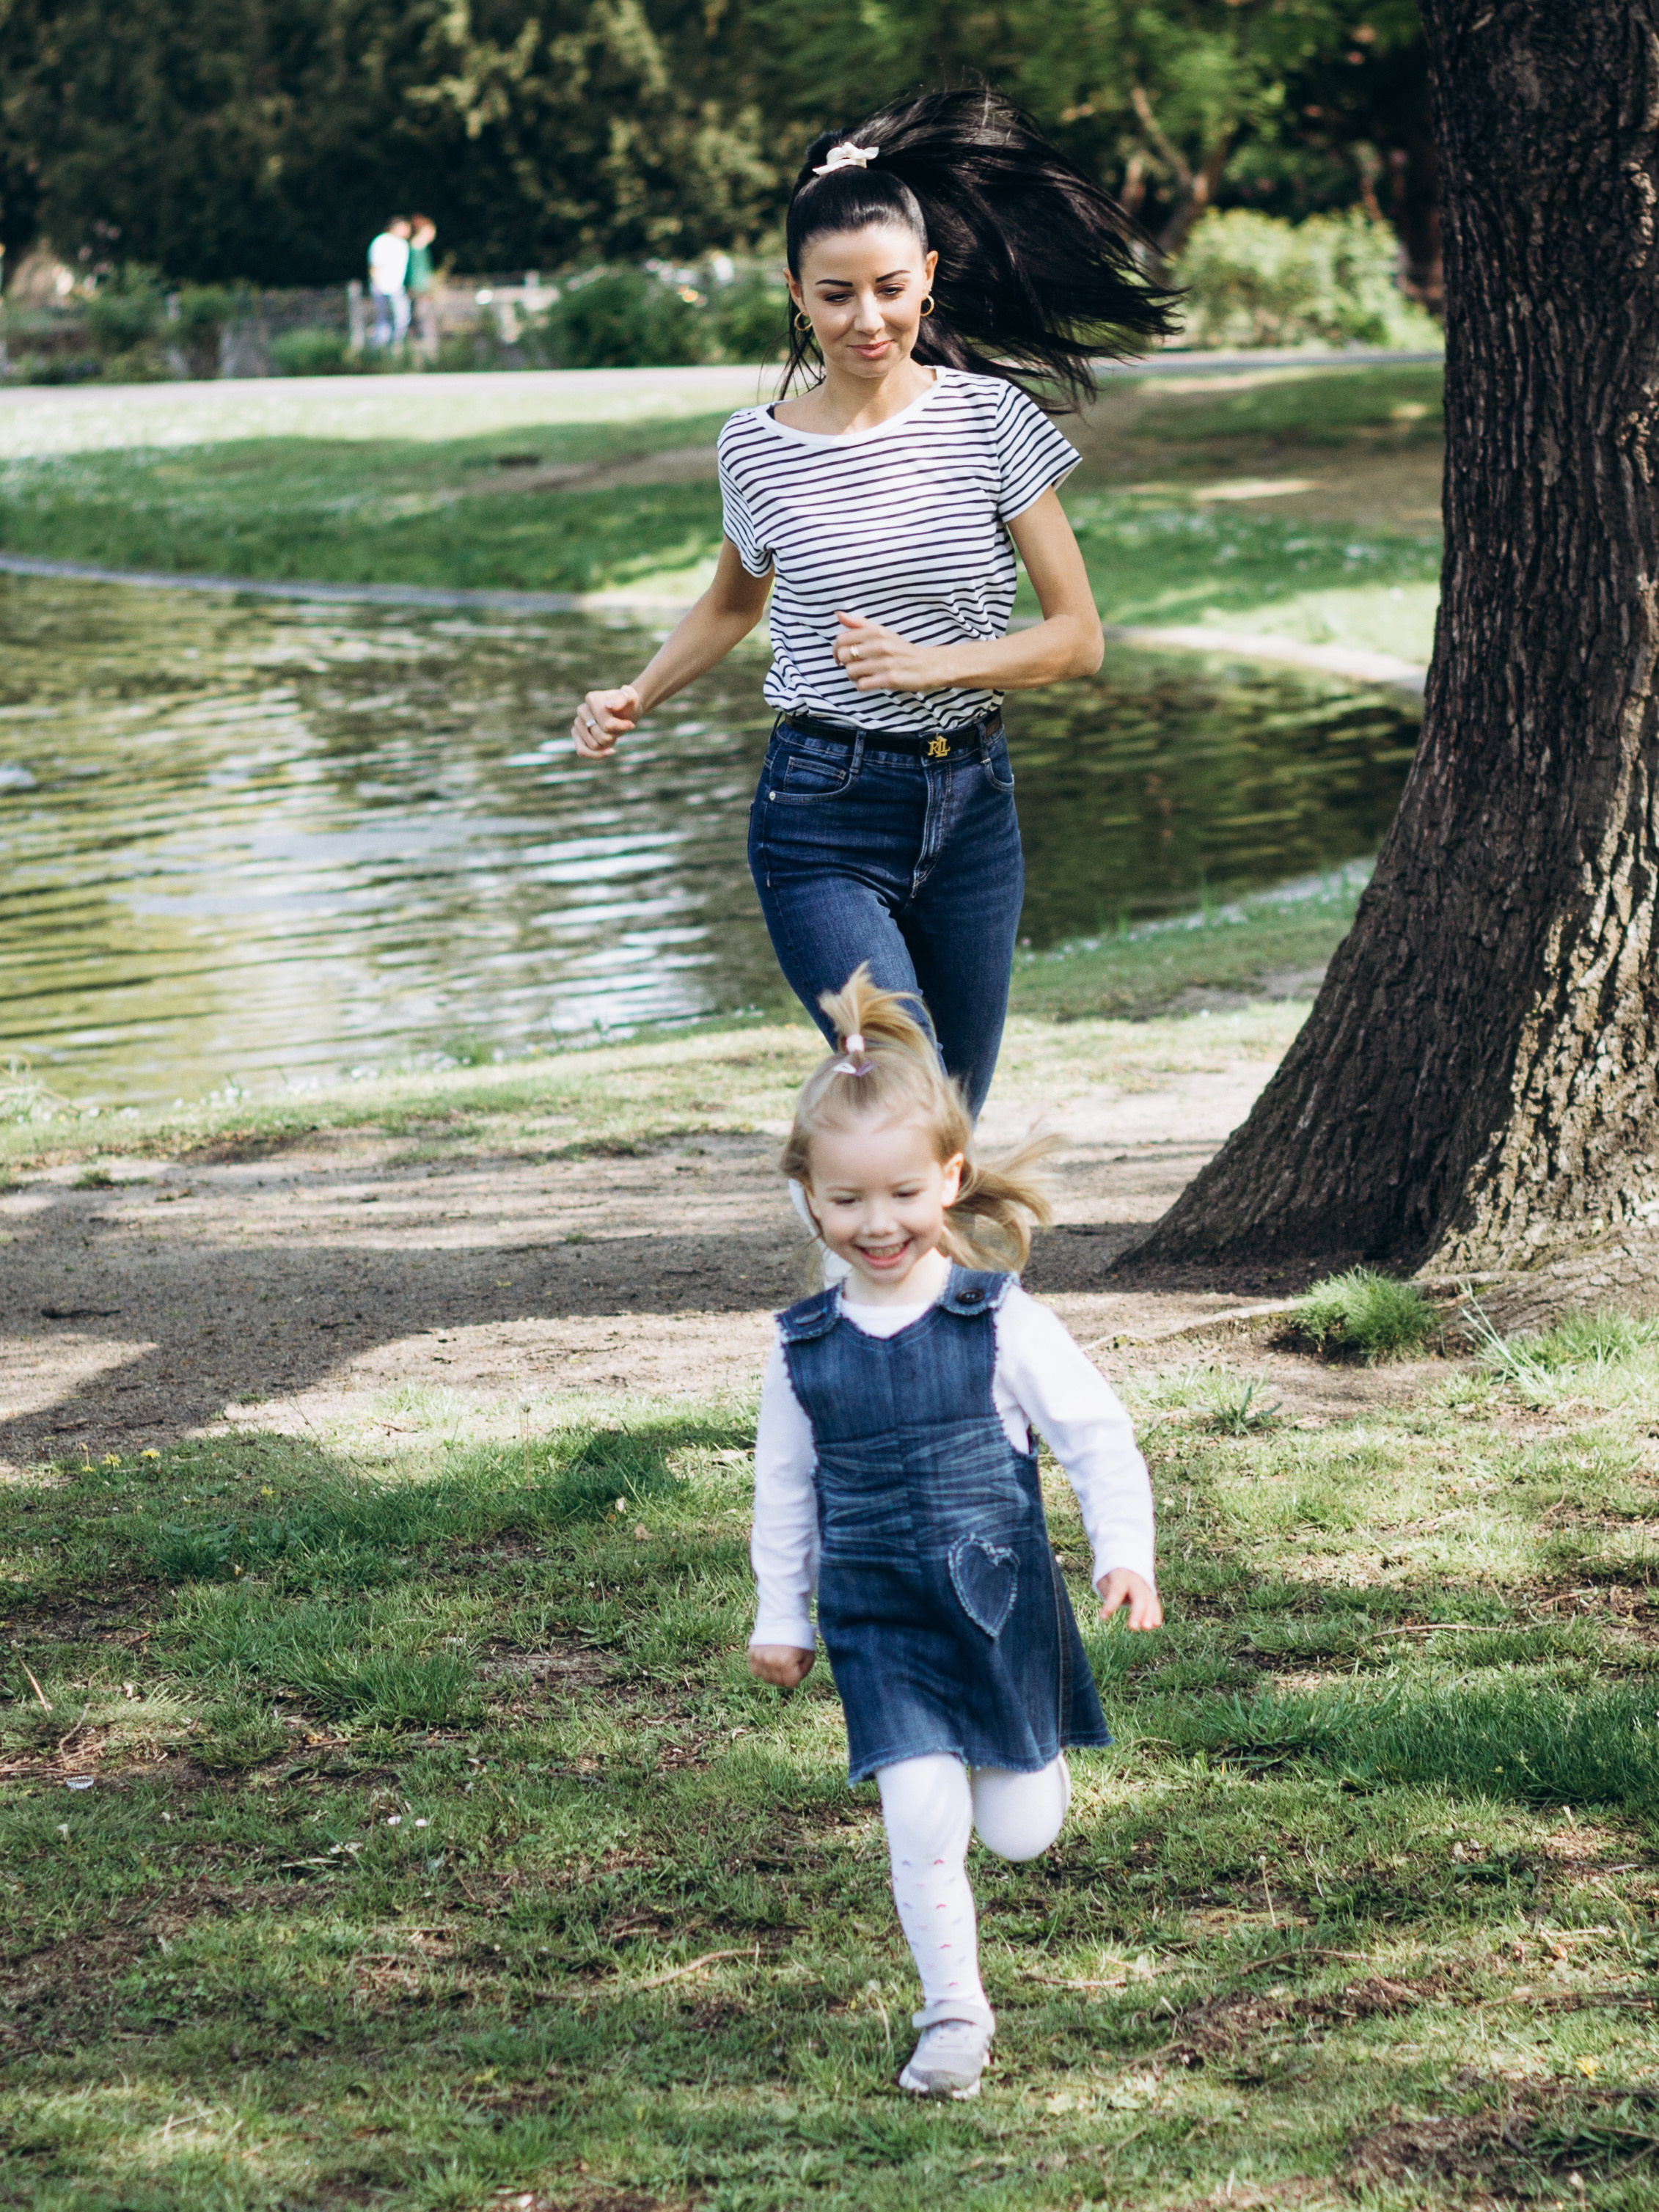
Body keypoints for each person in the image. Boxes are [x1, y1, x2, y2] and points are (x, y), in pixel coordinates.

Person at [572, 88, 1175, 1120]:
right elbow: (730, 605)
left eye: (890, 289)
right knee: (901, 1087)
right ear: (796, 293)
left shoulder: (992, 421)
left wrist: (934, 665)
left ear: (928, 279)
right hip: (820, 810)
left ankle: (916, 1277)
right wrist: (637, 693)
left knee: (951, 1116)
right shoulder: (753, 445)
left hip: (973, 805)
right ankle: (868, 1271)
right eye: (836, 294)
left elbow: (1078, 641)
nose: (868, 319)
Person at [747, 966, 1162, 2098]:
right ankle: (953, 2015)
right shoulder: (800, 1352)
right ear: (809, 1199)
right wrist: (780, 1615)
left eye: (898, 1194)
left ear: (950, 1179)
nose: (874, 1224)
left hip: (999, 1606)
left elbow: (1094, 1438)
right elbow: (784, 1495)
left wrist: (1124, 1550)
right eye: (844, 1201)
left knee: (1020, 1829)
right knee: (920, 1812)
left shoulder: (999, 1320)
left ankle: (1010, 1771)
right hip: (879, 1618)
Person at [367, 216, 411, 351]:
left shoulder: (403, 244)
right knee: (384, 321)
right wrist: (378, 286)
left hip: (397, 288)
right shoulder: (381, 242)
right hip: (382, 288)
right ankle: (379, 351)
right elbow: (374, 267)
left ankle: (395, 348)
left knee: (402, 319)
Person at [406, 214, 439, 365]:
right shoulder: (417, 248)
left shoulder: (420, 248)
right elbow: (416, 274)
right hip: (420, 294)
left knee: (422, 324)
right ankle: (426, 359)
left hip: (422, 293)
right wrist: (421, 292)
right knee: (423, 324)